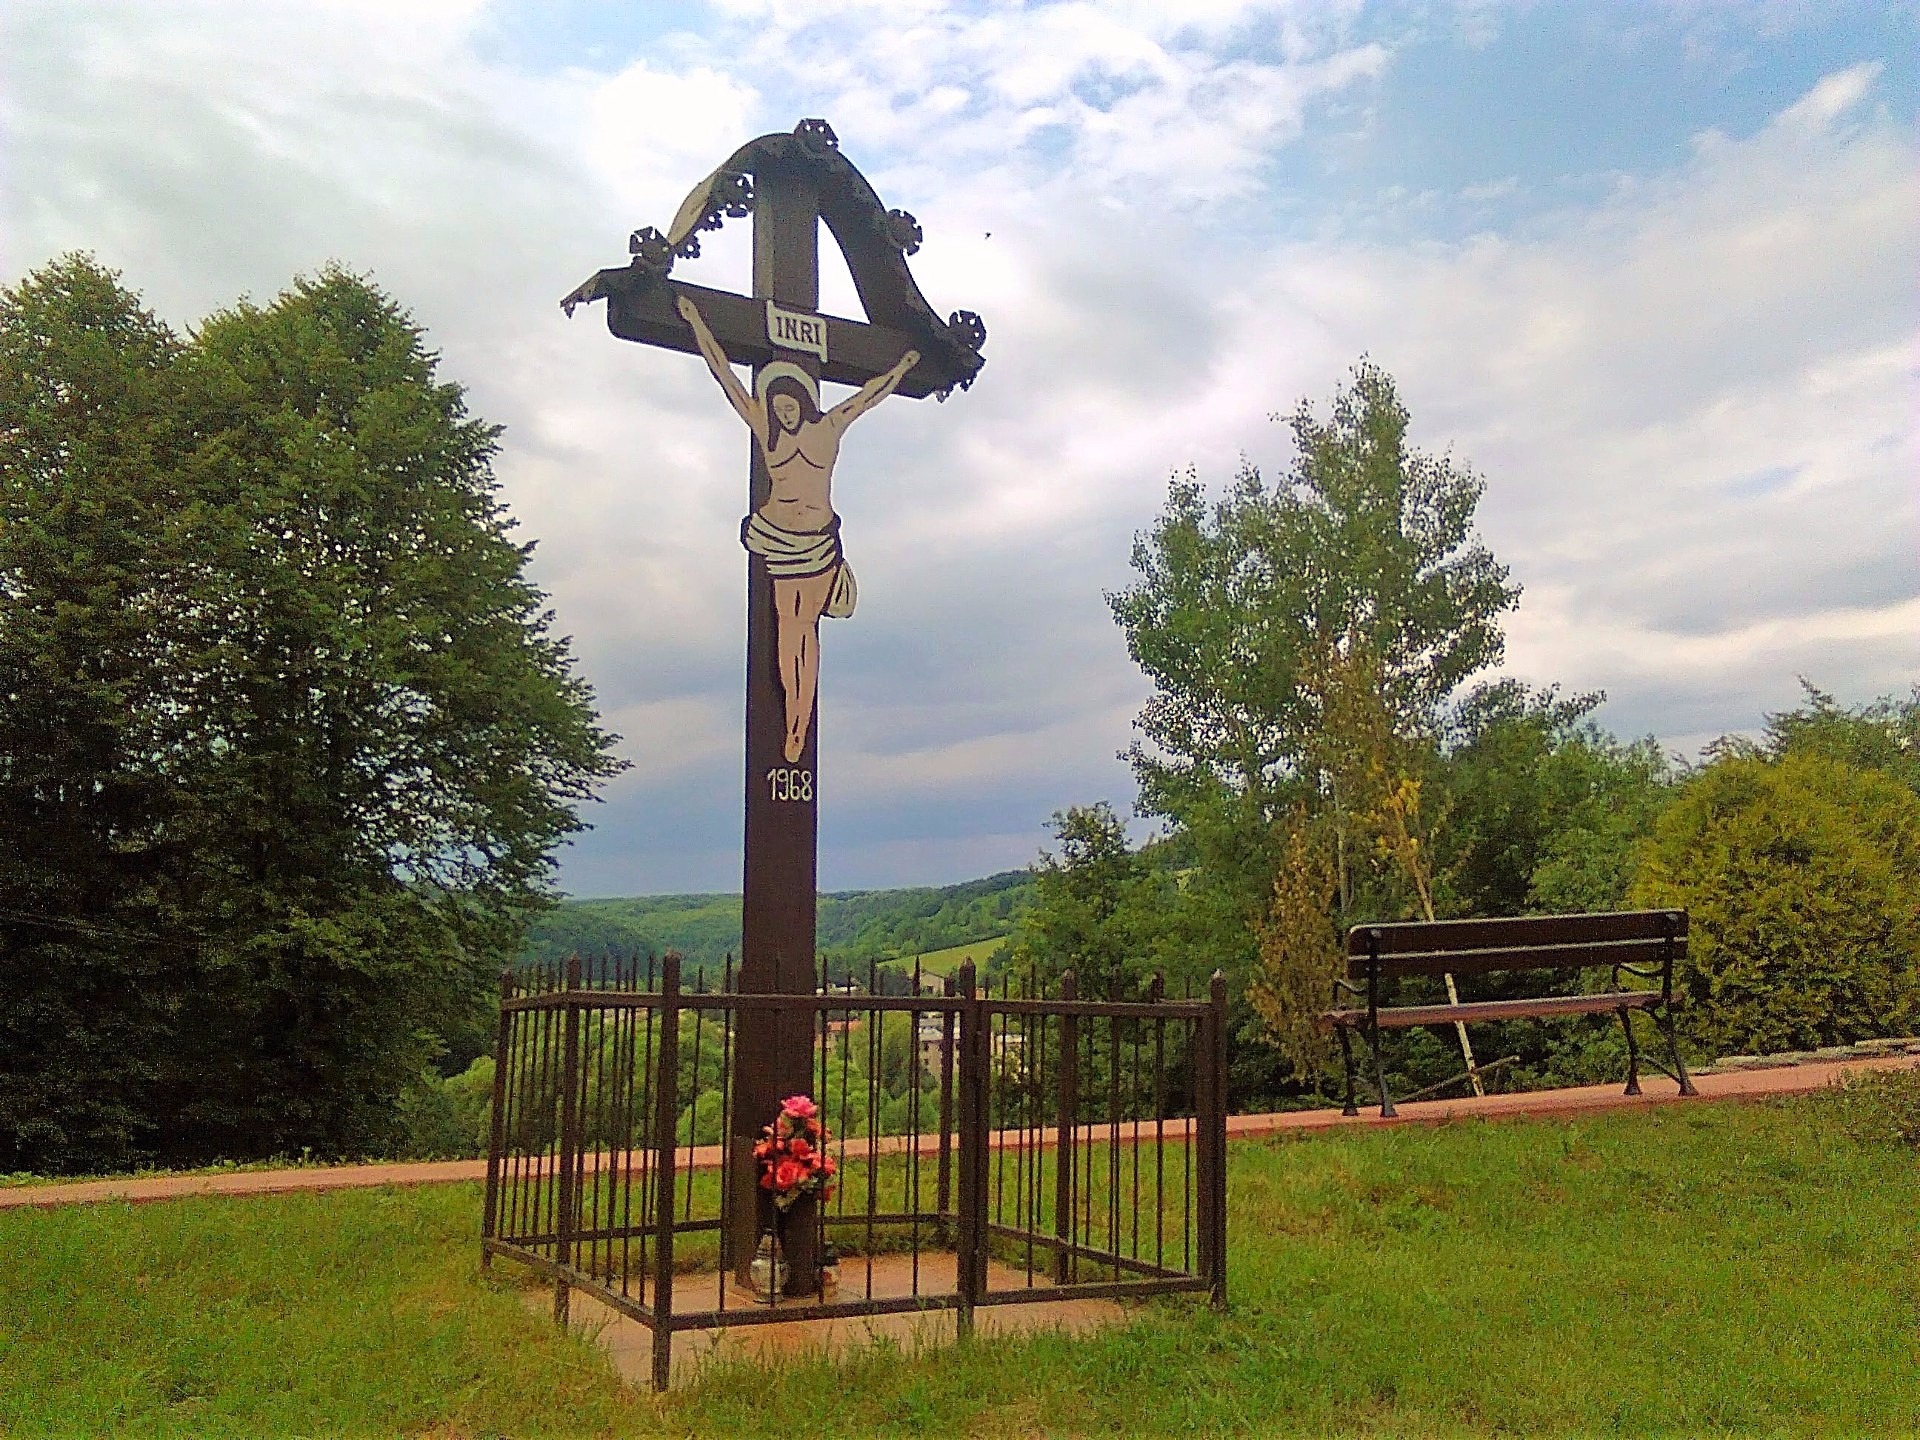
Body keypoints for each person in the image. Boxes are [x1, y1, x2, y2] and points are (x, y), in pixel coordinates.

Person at [677, 293, 919, 763]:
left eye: (790, 404)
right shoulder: (767, 432)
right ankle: (791, 721)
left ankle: (799, 723)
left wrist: (902, 368)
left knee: (805, 630)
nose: (784, 411)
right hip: (778, 539)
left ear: (803, 402)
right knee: (788, 633)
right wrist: (696, 323)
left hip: (817, 543)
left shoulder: (827, 429)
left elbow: (868, 396)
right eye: (777, 404)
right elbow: (725, 376)